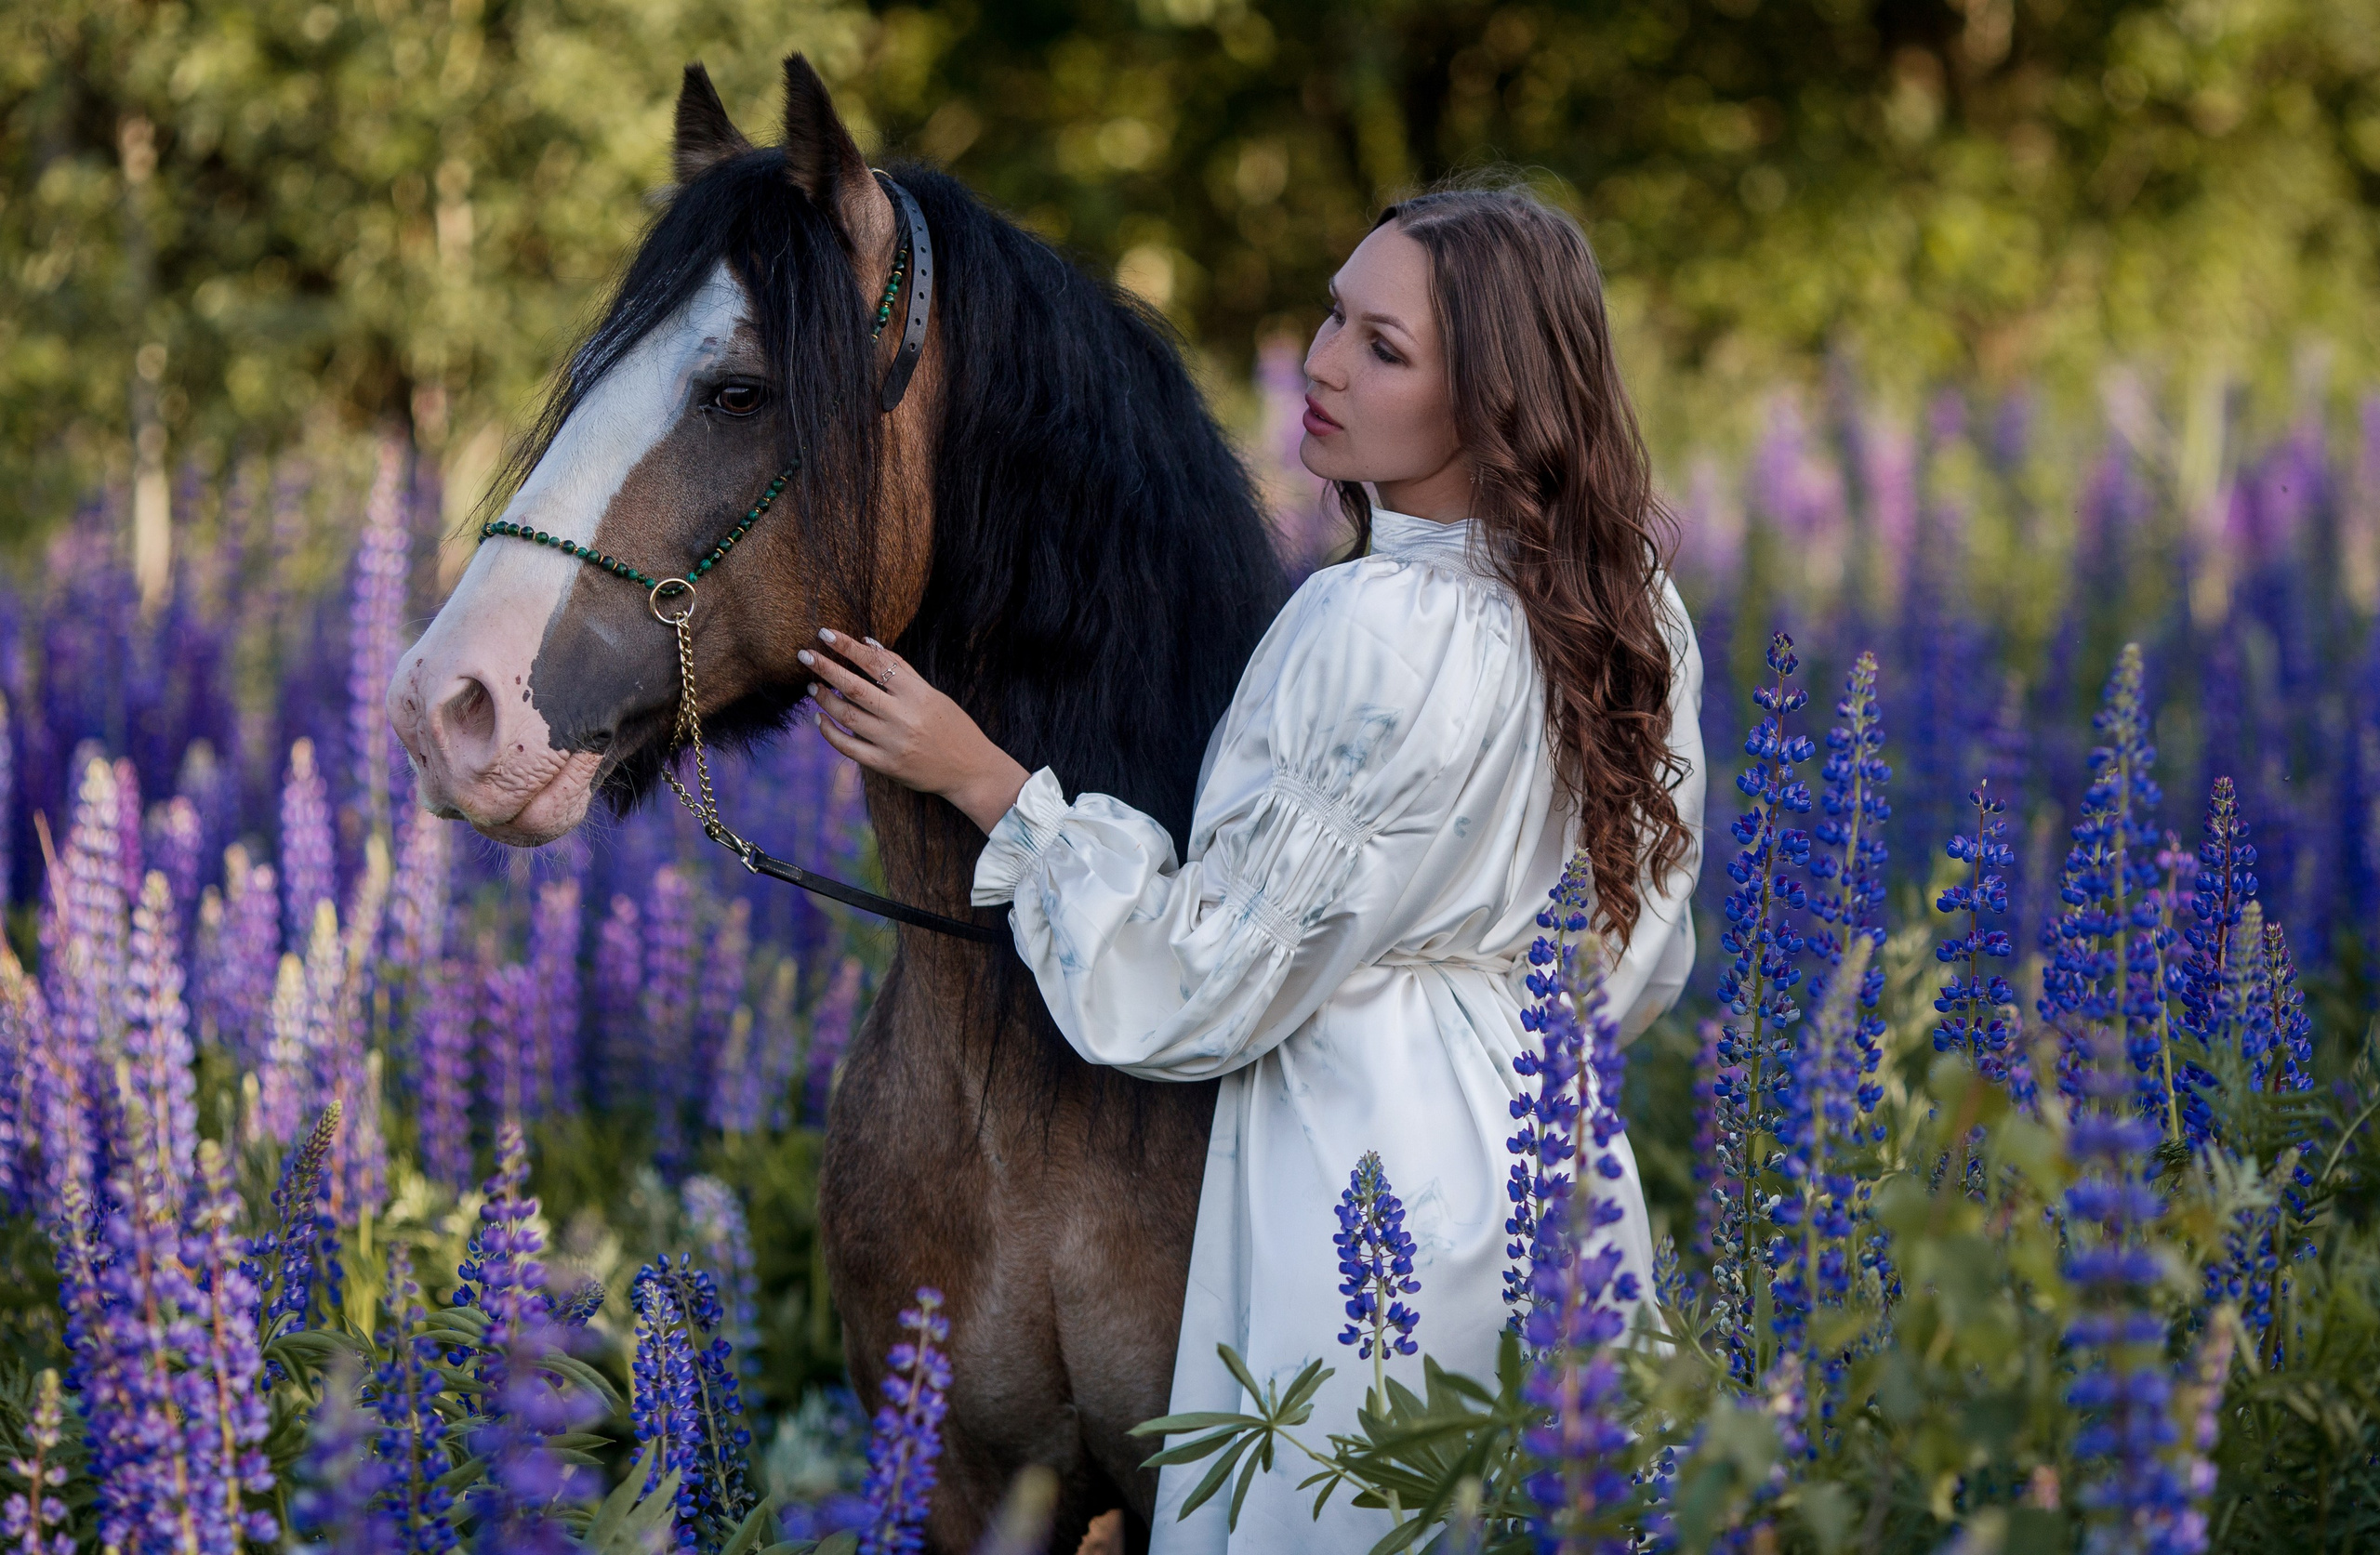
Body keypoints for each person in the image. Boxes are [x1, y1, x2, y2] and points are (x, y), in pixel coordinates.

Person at [797, 179, 1706, 1555]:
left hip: (1346, 1181)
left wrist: (983, 778)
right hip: (1542, 1159)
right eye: (1335, 315)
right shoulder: (1624, 594)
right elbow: (1636, 949)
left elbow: (1192, 983)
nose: (1327, 364)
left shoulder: (1366, 624)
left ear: (1495, 401)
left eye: (1385, 348)